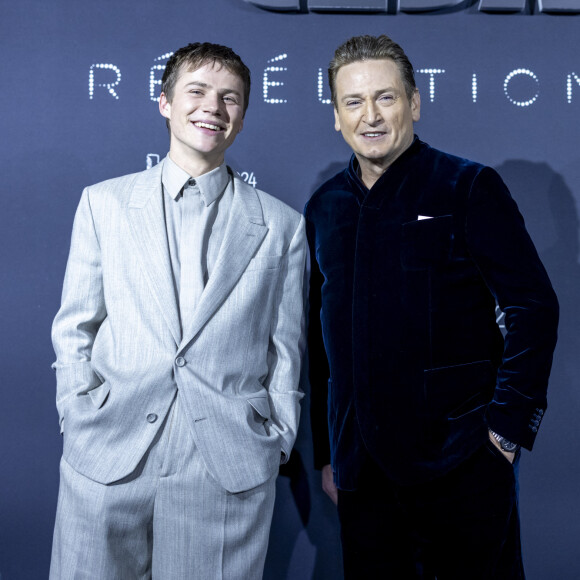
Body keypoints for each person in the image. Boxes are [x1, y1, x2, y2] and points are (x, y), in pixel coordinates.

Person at [305, 34, 559, 579]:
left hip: (462, 467)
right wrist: (329, 453)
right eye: (353, 102)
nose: (370, 116)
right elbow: (322, 341)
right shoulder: (324, 207)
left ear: (414, 104)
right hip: (362, 477)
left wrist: (505, 434)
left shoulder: (467, 187)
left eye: (386, 98)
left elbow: (533, 306)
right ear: (336, 116)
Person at [50, 42, 307, 579]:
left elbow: (286, 347)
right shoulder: (105, 204)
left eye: (229, 97)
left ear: (242, 116)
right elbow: (75, 325)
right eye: (197, 91)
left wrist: (277, 437)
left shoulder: (282, 226)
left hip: (225, 463)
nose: (212, 106)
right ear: (164, 102)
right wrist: (77, 412)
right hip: (107, 453)